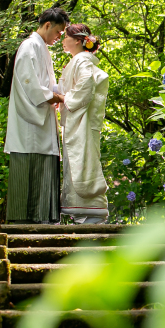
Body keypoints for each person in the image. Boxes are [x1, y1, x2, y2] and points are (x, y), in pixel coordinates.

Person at [4, 7, 69, 224]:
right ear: (48, 25)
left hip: (43, 117)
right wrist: (56, 97)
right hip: (30, 121)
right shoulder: (30, 46)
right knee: (28, 170)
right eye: (59, 32)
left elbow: (47, 83)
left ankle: (43, 219)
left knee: (43, 166)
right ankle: (23, 220)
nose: (60, 37)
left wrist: (61, 89)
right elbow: (29, 83)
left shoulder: (41, 48)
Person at [58, 24, 110, 224]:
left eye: (66, 37)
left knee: (83, 161)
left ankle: (92, 210)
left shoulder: (81, 60)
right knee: (79, 161)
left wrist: (63, 98)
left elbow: (86, 84)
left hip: (81, 122)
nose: (63, 41)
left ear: (78, 41)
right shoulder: (79, 60)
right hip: (78, 120)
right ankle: (85, 213)